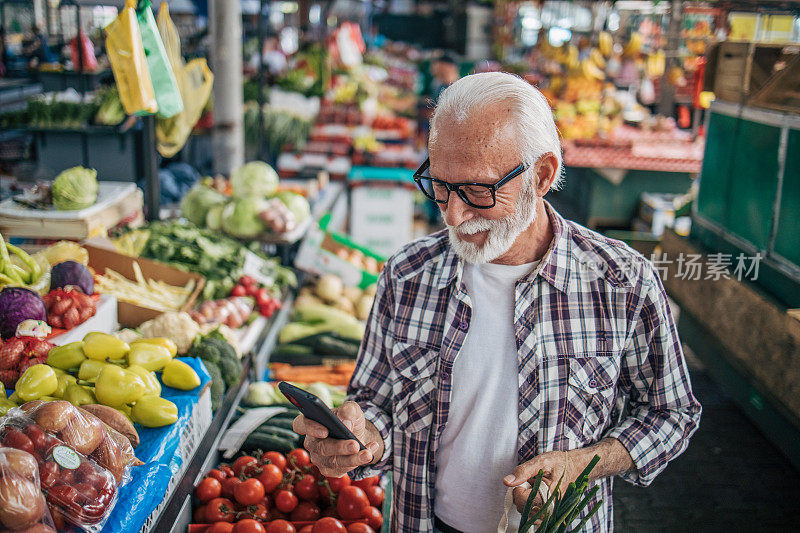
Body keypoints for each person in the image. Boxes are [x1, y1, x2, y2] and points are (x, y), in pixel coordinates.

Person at [293, 72, 701, 532]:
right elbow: (377, 404)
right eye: (441, 185)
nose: (453, 213)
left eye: (478, 191)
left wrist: (583, 464)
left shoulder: (621, 282)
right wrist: (361, 439)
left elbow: (671, 414)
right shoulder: (407, 275)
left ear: (541, 175)